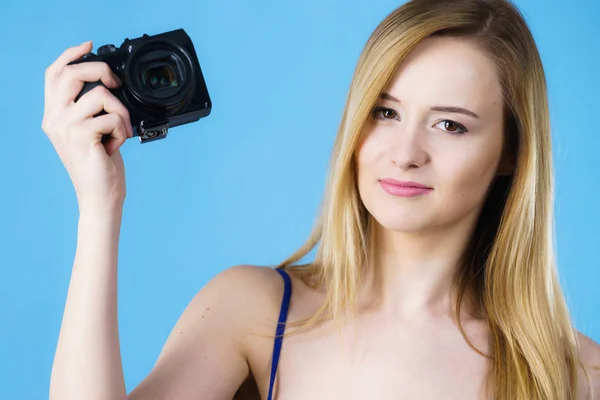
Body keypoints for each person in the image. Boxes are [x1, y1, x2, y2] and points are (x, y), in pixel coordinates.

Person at [43, 0, 600, 399]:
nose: (405, 153)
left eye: (451, 125)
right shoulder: (258, 311)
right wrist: (100, 207)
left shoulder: (577, 374)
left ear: (511, 152)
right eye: (385, 112)